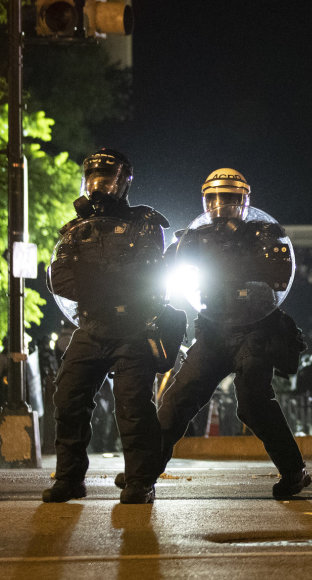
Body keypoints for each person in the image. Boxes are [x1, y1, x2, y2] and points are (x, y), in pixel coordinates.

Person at [126, 168, 310, 499]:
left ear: (244, 200)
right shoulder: (195, 238)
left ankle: (294, 471)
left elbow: (280, 278)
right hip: (212, 331)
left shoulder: (263, 236)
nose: (221, 205)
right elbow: (164, 267)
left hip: (254, 329)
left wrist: (245, 285)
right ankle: (142, 476)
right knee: (179, 398)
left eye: (229, 198)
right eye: (214, 198)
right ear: (205, 200)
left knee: (253, 402)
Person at [44, 148, 183, 504]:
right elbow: (59, 277)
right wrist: (104, 283)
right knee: (68, 398)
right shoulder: (76, 229)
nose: (98, 186)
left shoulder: (145, 223)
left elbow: (146, 274)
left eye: (106, 179)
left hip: (134, 326)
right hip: (91, 326)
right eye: (93, 178)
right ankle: (70, 478)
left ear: (122, 183)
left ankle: (140, 482)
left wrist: (96, 280)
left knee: (133, 406)